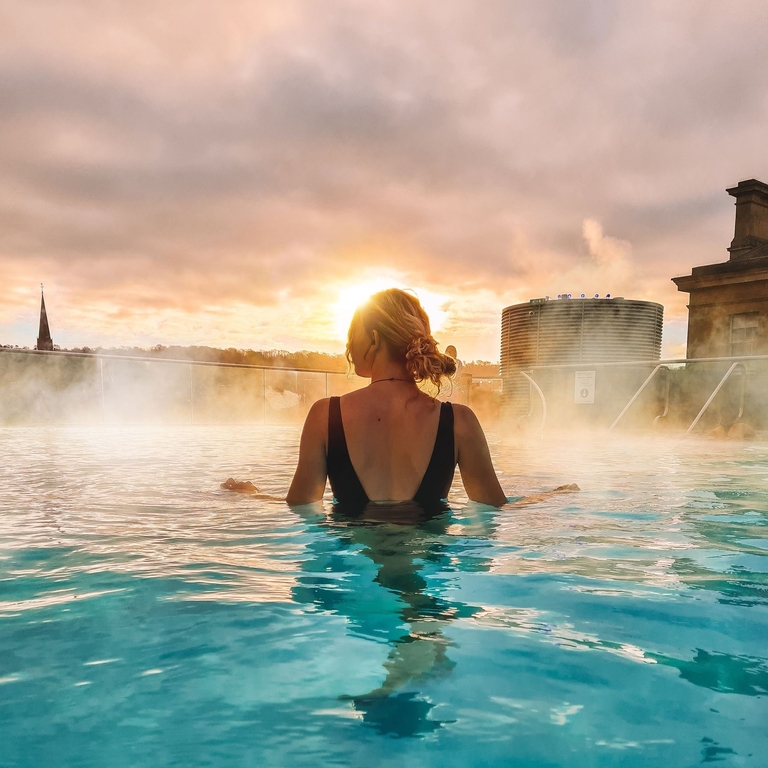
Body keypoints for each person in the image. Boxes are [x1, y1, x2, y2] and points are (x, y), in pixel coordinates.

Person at [224, 288, 577, 509]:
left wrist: (252, 493)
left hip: (351, 577)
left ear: (374, 339)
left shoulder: (324, 416)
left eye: (352, 336)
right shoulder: (460, 422)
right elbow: (496, 510)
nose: (348, 347)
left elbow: (300, 509)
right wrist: (551, 495)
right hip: (430, 576)